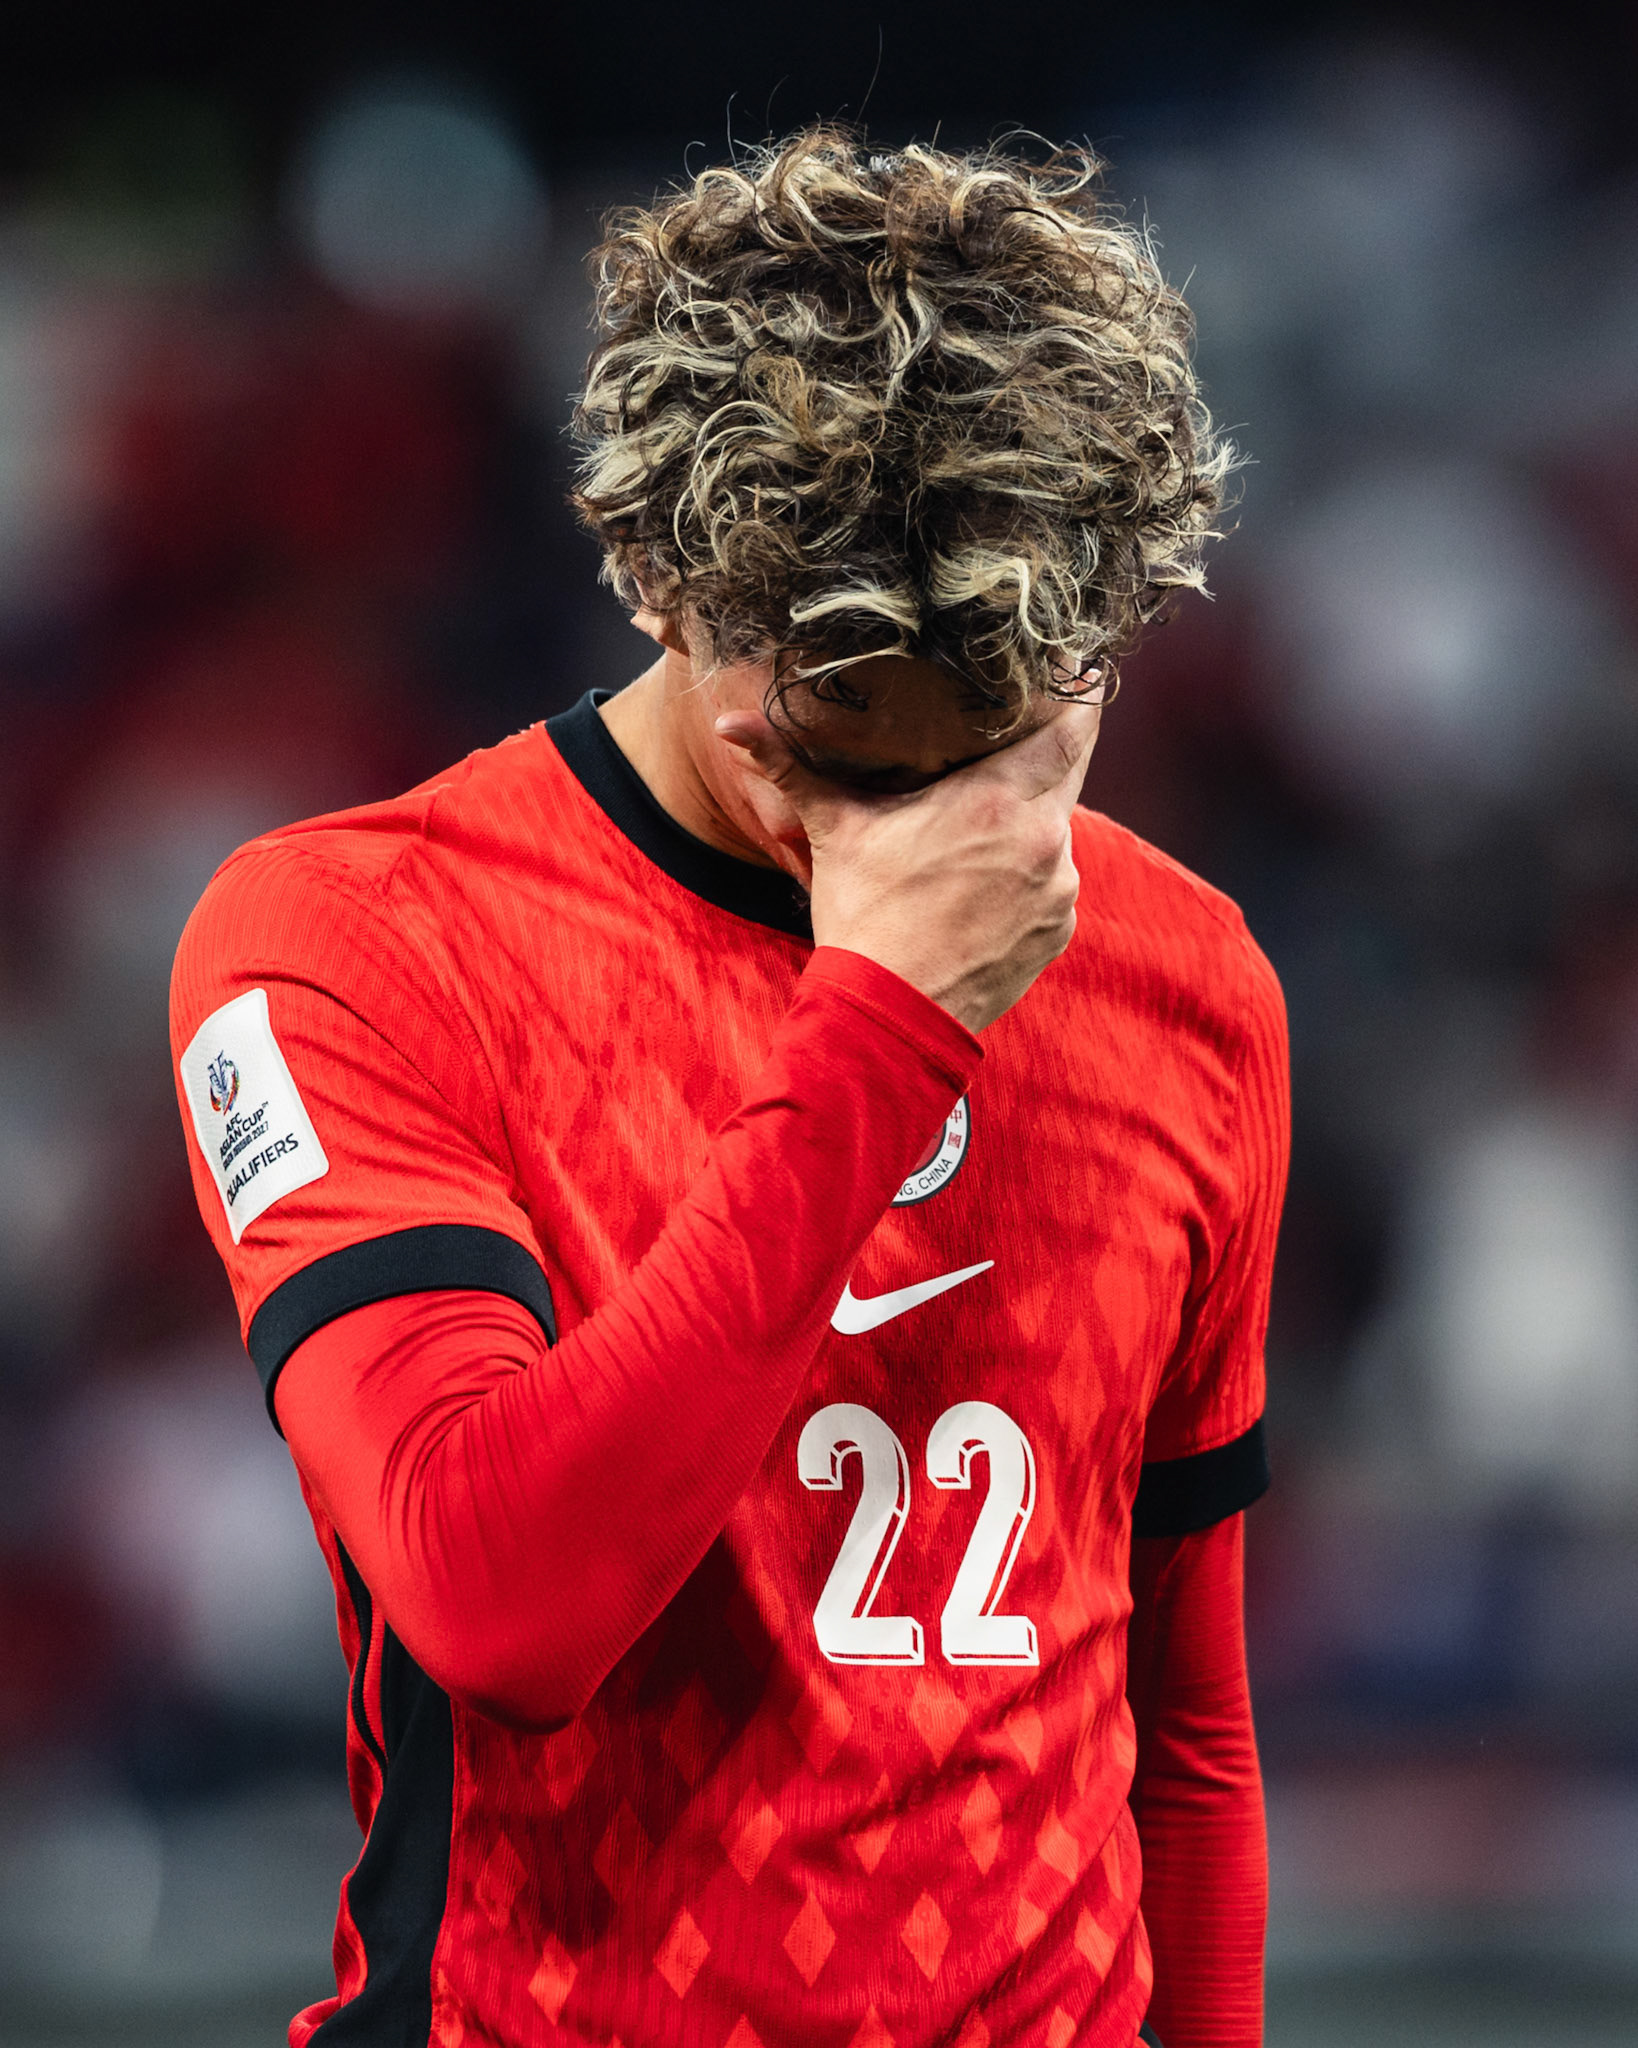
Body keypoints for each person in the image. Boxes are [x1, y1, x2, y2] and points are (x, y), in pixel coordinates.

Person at [171, 130, 1286, 2048]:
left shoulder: (1189, 979)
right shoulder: (349, 939)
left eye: (1000, 757)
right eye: (853, 772)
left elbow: (1176, 1720)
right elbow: (499, 1604)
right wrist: (883, 1025)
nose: (946, 844)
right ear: (667, 585)